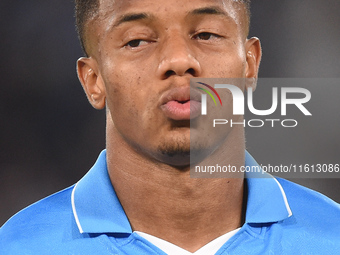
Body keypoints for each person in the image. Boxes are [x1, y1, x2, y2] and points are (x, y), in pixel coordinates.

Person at [1, 0, 339, 254]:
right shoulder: (19, 246)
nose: (179, 60)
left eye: (206, 34)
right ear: (94, 80)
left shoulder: (332, 236)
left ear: (250, 66)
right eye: (137, 41)